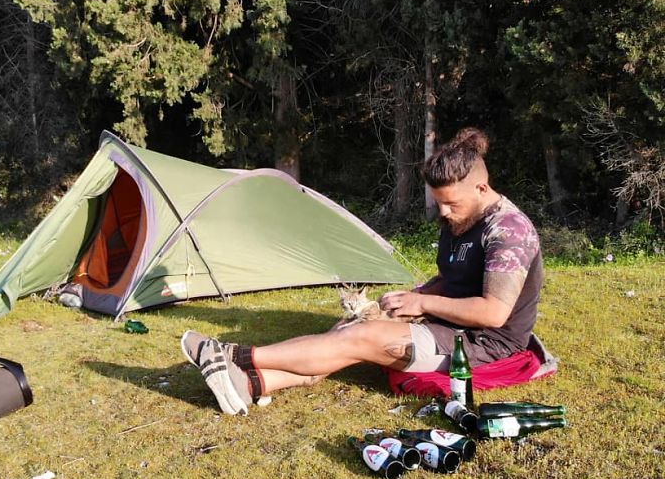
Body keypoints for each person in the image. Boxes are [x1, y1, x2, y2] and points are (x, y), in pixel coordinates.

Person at [180, 127, 544, 415]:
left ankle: (233, 356)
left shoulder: (509, 231)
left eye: (451, 204)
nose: (444, 213)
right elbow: (452, 278)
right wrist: (411, 297)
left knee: (360, 339)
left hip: (484, 346)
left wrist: (423, 304)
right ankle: (251, 385)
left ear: (481, 187)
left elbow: (493, 313)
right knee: (350, 330)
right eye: (439, 203)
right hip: (450, 325)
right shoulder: (461, 218)